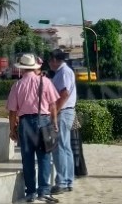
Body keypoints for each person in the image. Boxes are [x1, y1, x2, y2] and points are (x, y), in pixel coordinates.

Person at [7, 53, 60, 203]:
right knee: (44, 157)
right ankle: (44, 191)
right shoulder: (46, 82)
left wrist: (12, 130)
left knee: (27, 158)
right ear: (35, 67)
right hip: (43, 121)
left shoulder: (17, 85)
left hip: (25, 123)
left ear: (22, 69)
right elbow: (53, 105)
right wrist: (54, 122)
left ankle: (30, 192)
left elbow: (12, 111)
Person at [48, 49, 76, 194]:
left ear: (54, 60)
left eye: (50, 60)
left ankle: (62, 182)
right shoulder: (63, 72)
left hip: (63, 113)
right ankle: (68, 180)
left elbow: (64, 94)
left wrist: (54, 113)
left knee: (59, 148)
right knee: (66, 147)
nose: (49, 63)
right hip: (66, 112)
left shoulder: (63, 72)